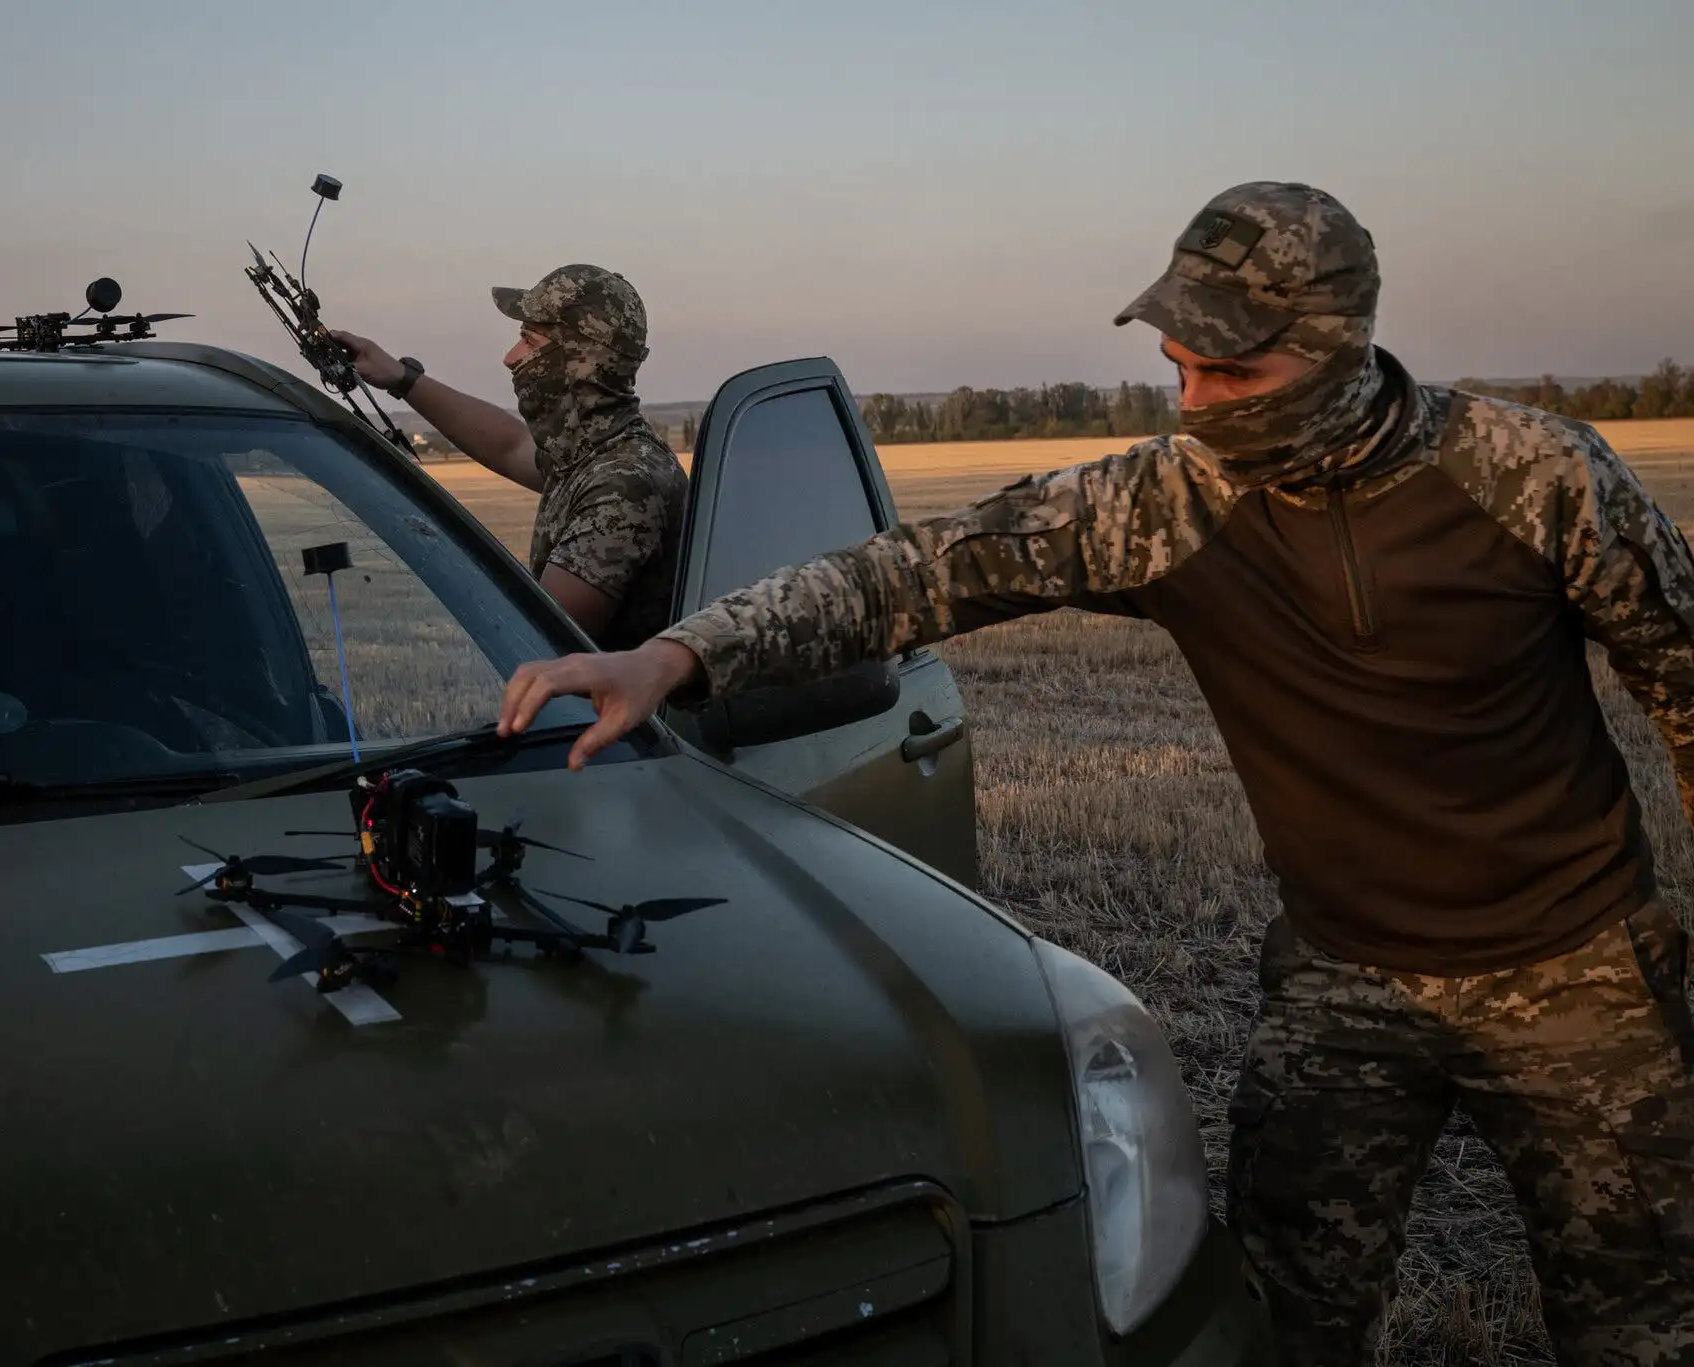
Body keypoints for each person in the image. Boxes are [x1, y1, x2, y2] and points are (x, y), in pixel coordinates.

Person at [495, 182, 1694, 1365]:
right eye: (1178, 367)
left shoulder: (1539, 478)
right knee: (1278, 1321)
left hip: (1581, 973)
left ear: (1334, 345)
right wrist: (679, 653)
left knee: (1638, 1322)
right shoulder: (1168, 506)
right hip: (1345, 981)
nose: (1193, 402)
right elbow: (911, 575)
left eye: (1231, 374)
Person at [328, 264, 687, 650]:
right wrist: (402, 377)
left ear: (580, 360)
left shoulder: (625, 483)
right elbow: (509, 445)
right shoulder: (595, 452)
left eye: (529, 341)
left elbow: (539, 640)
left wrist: (426, 541)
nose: (511, 358)